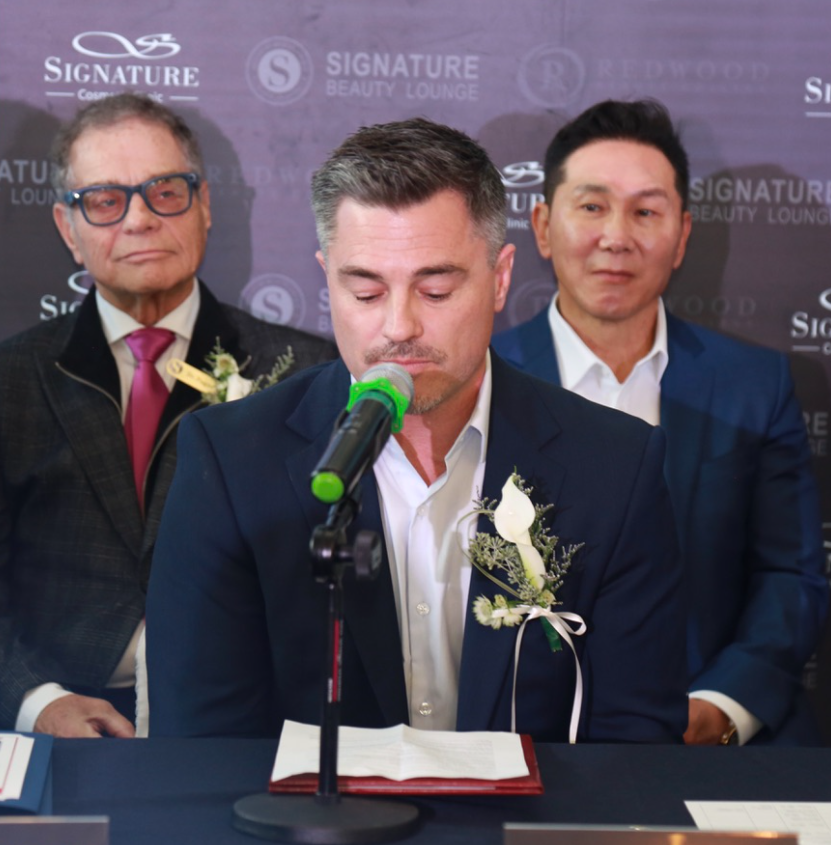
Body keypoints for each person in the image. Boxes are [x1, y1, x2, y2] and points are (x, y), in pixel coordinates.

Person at [147, 116, 688, 743]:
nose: (399, 327)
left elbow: (634, 747)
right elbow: (202, 743)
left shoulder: (615, 466)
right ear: (327, 278)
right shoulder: (231, 462)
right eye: (366, 292)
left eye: (435, 290)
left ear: (500, 278)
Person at [492, 99, 829, 745]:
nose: (617, 236)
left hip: (704, 729)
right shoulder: (483, 377)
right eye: (592, 206)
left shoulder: (754, 386)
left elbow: (790, 575)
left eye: (645, 212)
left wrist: (720, 706)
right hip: (524, 734)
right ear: (542, 226)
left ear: (681, 236)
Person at [0, 93, 337, 738]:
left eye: (165, 191)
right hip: (65, 716)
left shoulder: (302, 372)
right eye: (105, 200)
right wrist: (37, 702)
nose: (140, 220)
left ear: (204, 205)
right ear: (68, 229)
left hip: (245, 725)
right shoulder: (13, 381)